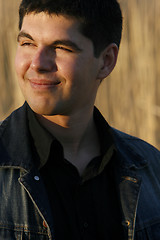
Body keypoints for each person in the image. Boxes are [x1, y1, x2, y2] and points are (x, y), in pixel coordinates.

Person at [0, 0, 160, 239]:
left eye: (62, 48)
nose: (37, 63)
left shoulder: (151, 168)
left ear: (106, 61)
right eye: (27, 43)